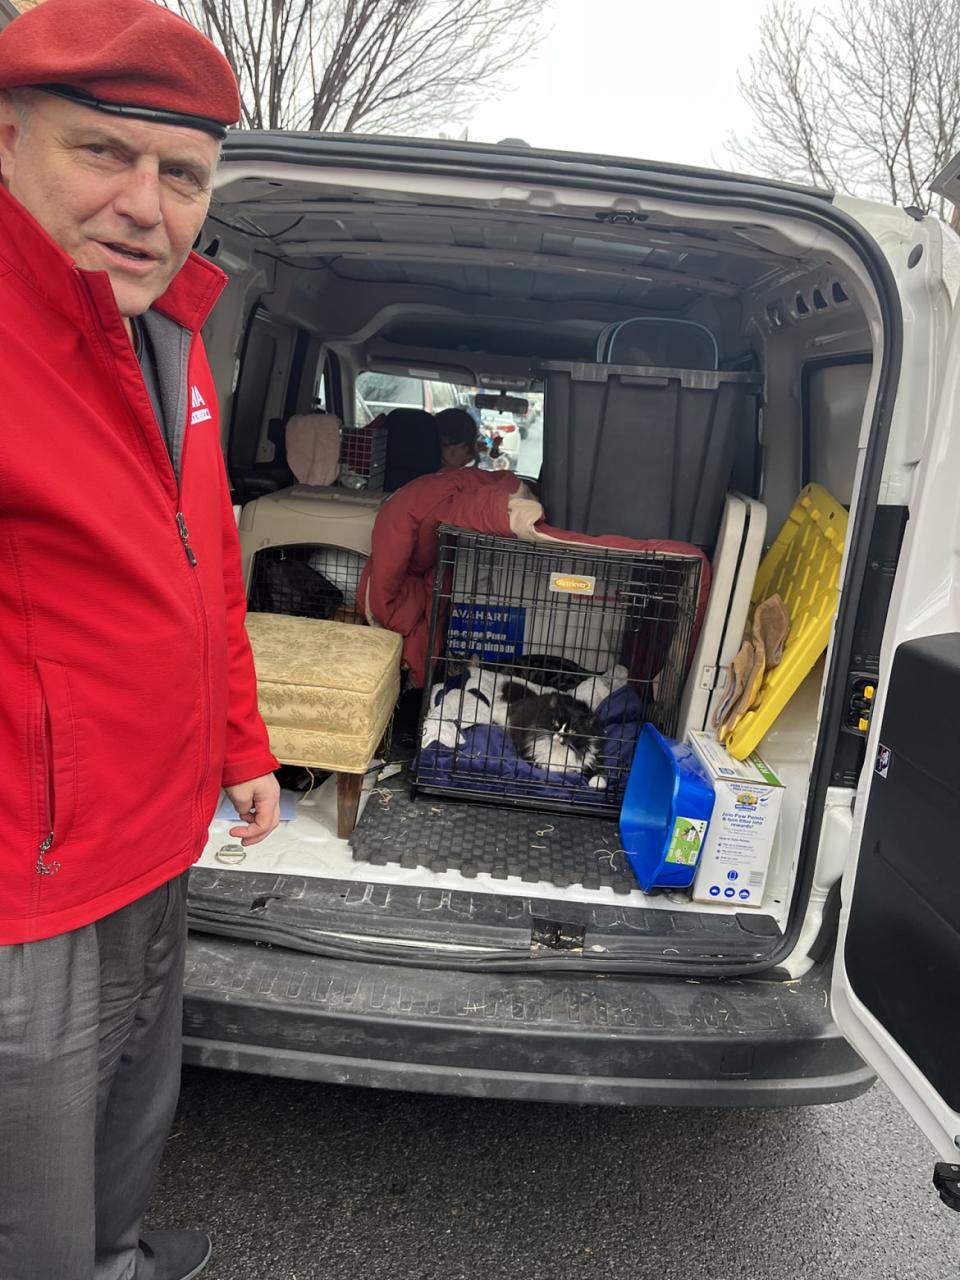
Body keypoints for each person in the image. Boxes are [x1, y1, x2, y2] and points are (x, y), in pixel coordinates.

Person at [0, 2, 281, 1277]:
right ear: (8, 138)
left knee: (134, 1114)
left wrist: (242, 745)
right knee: (29, 1211)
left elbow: (206, 568)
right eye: (102, 152)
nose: (144, 203)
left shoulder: (174, 337)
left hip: (158, 838)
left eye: (181, 175)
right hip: (33, 883)